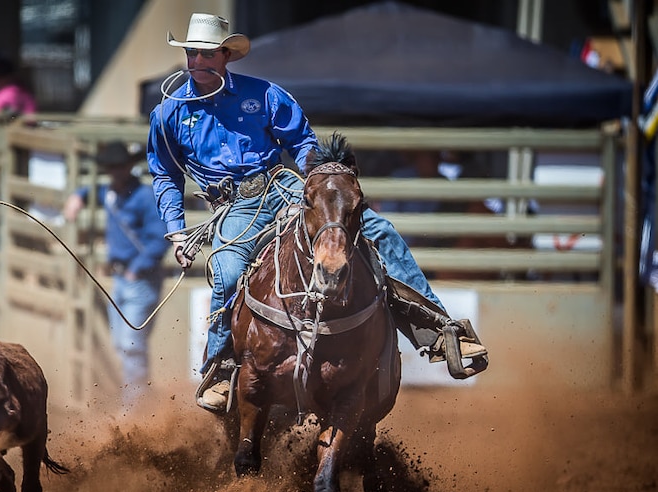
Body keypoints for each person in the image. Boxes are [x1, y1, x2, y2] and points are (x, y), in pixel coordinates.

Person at [147, 13, 487, 413]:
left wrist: (326, 184)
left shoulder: (266, 94)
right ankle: (220, 367)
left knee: (378, 232)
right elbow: (163, 173)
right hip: (235, 208)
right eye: (191, 52)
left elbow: (303, 142)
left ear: (225, 55)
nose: (196, 61)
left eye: (205, 53)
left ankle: (438, 328)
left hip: (284, 185)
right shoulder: (169, 113)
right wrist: (176, 230)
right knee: (225, 271)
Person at [63, 141, 170, 408]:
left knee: (131, 343)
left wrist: (137, 268)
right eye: (110, 168)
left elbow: (160, 238)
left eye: (118, 167)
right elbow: (92, 191)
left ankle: (134, 407)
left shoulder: (144, 197)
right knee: (122, 342)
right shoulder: (110, 193)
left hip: (140, 278)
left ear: (128, 166)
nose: (113, 172)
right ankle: (140, 398)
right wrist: (79, 196)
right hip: (122, 279)